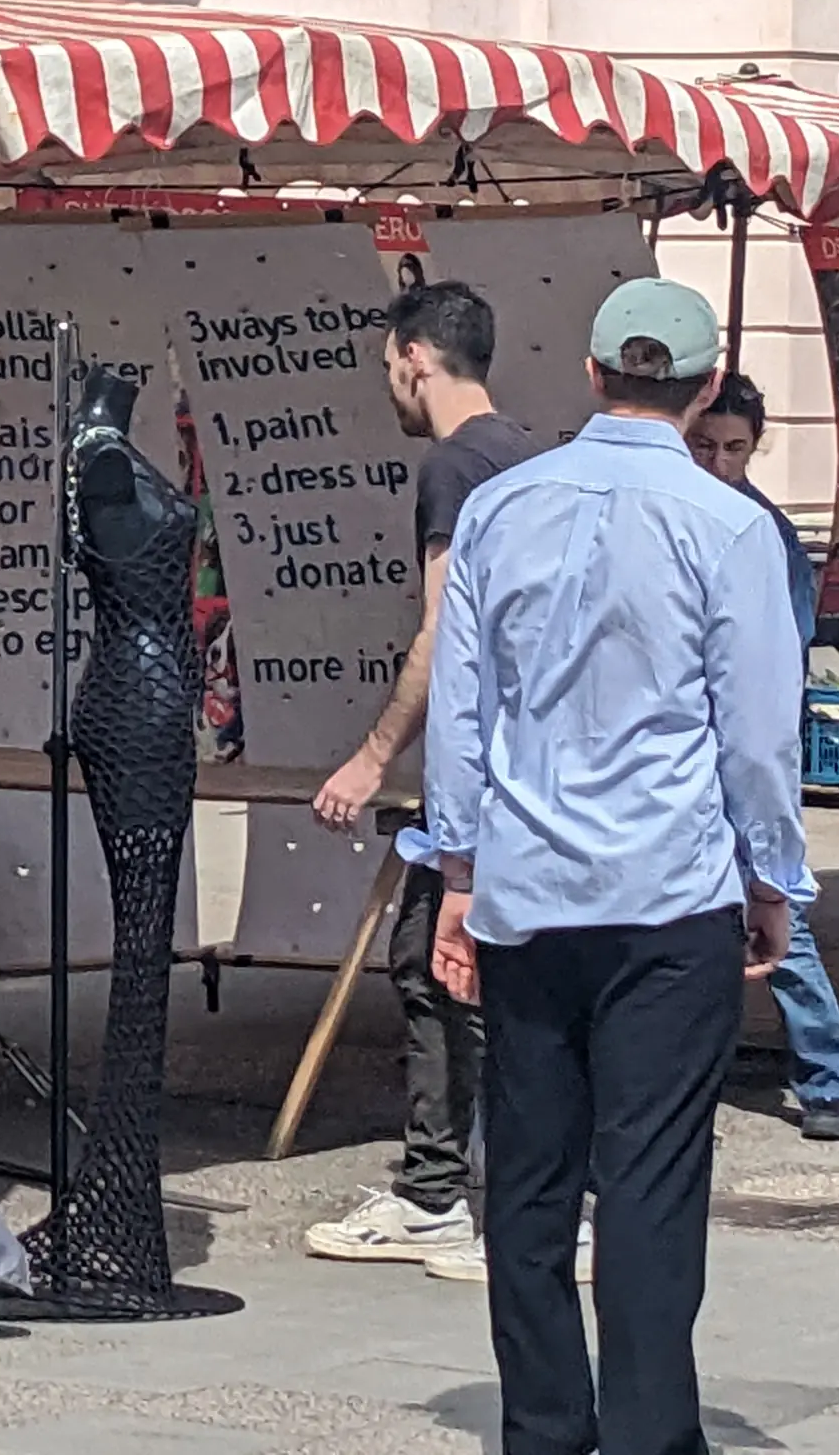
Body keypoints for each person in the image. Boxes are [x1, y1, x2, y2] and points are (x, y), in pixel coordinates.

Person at [423, 277, 809, 1455]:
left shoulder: (502, 508)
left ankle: (544, 1422)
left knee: (529, 1177)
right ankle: (648, 1428)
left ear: (591, 374)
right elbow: (756, 731)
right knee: (651, 1181)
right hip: (670, 889)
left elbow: (463, 706)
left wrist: (457, 868)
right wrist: (772, 875)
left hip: (531, 888)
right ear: (699, 394)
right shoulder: (730, 525)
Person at [302, 280, 540, 1270]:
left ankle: (474, 1197)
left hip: (476, 775)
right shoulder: (526, 455)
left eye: (387, 369)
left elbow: (445, 635)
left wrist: (368, 756)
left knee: (451, 975)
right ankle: (445, 1188)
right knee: (434, 965)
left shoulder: (452, 468)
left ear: (414, 357)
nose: (388, 388)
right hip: (521, 766)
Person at [683, 373, 839, 1142]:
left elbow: (784, 647)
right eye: (707, 444)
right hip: (698, 739)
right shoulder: (688, 514)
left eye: (735, 448)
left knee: (777, 898)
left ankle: (827, 1075)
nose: (720, 461)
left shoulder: (762, 530)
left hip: (754, 737)